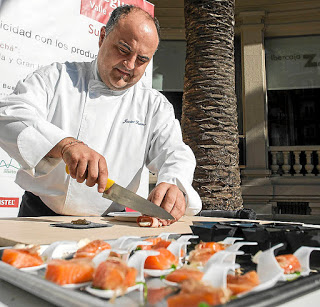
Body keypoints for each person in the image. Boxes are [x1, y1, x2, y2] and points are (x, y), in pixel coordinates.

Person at [0, 5, 201, 220]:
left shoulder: (154, 105)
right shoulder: (56, 78)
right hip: (39, 216)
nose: (130, 64)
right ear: (102, 37)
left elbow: (174, 152)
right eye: (124, 49)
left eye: (142, 59)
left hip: (111, 223)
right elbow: (9, 115)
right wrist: (66, 145)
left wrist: (172, 184)